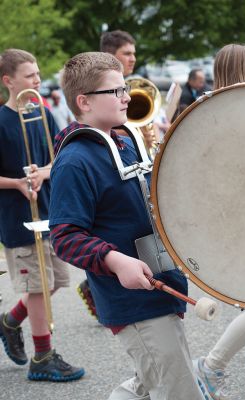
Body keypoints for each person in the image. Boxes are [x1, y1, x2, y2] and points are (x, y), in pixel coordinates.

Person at [49, 51, 210, 400]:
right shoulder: (75, 161)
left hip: (162, 285)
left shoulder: (125, 140)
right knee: (179, 390)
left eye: (125, 87)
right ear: (84, 101)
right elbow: (64, 236)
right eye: (116, 91)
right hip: (132, 300)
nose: (126, 96)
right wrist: (115, 261)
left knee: (147, 383)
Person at [0, 48, 84, 382]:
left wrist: (44, 173)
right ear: (8, 81)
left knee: (56, 282)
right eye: (30, 75)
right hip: (16, 217)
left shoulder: (44, 114)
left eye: (37, 74)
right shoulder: (1, 120)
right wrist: (18, 182)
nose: (38, 80)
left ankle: (9, 321)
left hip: (49, 210)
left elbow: (58, 159)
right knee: (38, 285)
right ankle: (42, 356)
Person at [193, 43, 245, 400]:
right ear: (244, 71)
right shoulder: (236, 111)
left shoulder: (210, 108)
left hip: (241, 220)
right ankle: (211, 366)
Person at [77, 30, 160, 314]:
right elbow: (67, 234)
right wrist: (114, 260)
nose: (133, 58)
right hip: (125, 289)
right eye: (127, 53)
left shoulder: (120, 130)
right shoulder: (80, 154)